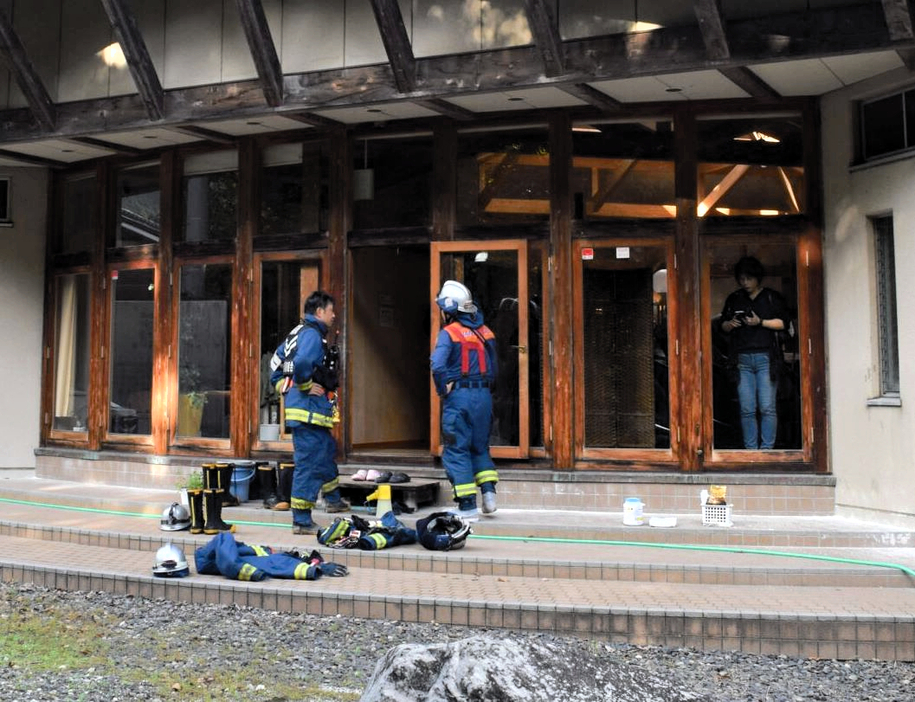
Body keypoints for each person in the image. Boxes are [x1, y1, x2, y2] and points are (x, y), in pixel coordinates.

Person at [270, 291, 349, 534]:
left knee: (325, 450)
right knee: (309, 463)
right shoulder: (312, 336)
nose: (334, 315)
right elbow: (303, 364)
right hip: (308, 411)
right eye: (330, 310)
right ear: (319, 312)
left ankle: (333, 499)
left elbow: (275, 366)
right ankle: (302, 520)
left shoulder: (296, 334)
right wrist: (303, 386)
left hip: (306, 411)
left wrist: (285, 387)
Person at [430, 280, 499, 521]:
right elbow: (495, 368)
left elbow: (437, 365)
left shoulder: (449, 333)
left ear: (449, 310)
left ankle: (467, 505)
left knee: (456, 449)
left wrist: (443, 389)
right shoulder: (486, 332)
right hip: (483, 396)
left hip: (460, 397)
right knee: (479, 447)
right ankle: (489, 495)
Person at [719, 256, 789, 450]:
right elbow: (722, 326)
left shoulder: (770, 298)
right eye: (742, 279)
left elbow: (784, 323)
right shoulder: (734, 298)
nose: (745, 283)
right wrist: (729, 325)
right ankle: (751, 450)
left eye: (749, 278)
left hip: (766, 357)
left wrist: (761, 322)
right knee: (747, 409)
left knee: (767, 407)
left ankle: (766, 451)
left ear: (758, 278)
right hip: (741, 359)